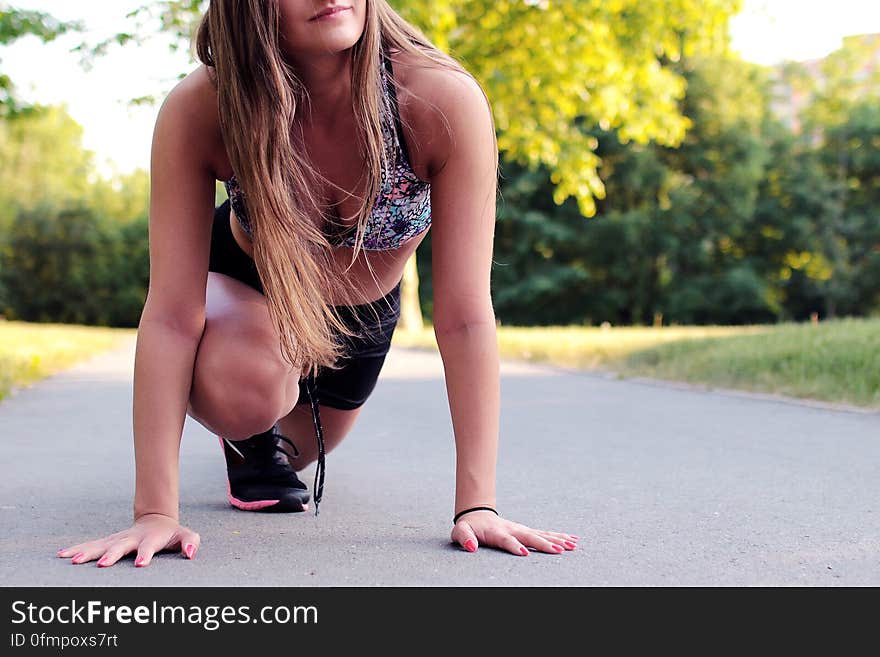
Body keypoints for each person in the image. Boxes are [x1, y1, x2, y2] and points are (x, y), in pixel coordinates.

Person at [57, 0, 578, 568]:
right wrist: (154, 512)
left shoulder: (439, 100)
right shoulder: (205, 106)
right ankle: (248, 422)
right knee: (249, 391)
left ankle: (253, 444)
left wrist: (477, 506)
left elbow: (466, 316)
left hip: (360, 315)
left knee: (298, 454)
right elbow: (170, 317)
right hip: (249, 286)